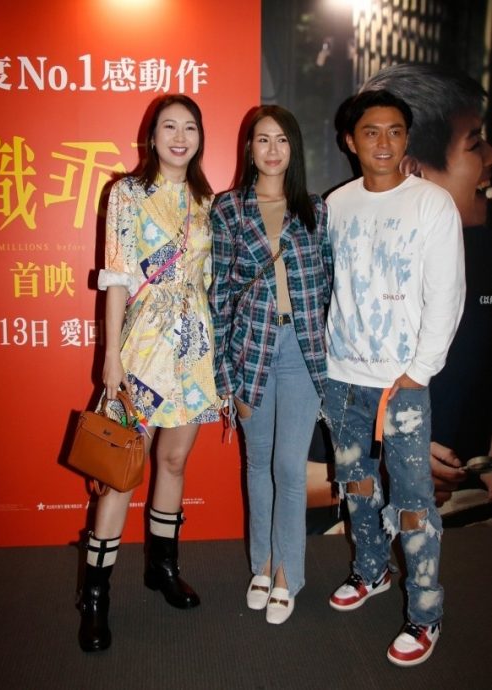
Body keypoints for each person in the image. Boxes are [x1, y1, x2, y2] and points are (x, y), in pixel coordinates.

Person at [322, 89, 465, 666]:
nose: (384, 143)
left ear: (407, 138)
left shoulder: (431, 203)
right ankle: (371, 570)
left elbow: (447, 294)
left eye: (395, 131)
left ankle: (426, 613)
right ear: (350, 141)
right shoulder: (336, 204)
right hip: (341, 376)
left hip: (400, 383)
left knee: (411, 501)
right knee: (355, 484)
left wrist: (418, 372)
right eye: (371, 132)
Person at [78, 94, 220, 652]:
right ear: (152, 136)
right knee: (120, 471)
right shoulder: (127, 193)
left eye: (190, 128)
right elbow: (116, 278)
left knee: (174, 461)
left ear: (200, 138)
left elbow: (210, 281)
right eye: (169, 127)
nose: (180, 137)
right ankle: (94, 597)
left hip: (194, 348)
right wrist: (111, 355)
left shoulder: (208, 201)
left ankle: (163, 568)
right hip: (142, 345)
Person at [209, 105, 332, 624]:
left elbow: (329, 286)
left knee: (289, 467)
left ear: (293, 148)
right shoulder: (228, 209)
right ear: (250, 148)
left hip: (301, 352)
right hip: (249, 351)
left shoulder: (316, 210)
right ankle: (260, 563)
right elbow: (218, 296)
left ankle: (287, 574)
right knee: (257, 464)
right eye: (263, 139)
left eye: (282, 139)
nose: (273, 149)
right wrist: (225, 377)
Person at [363, 64, 492, 509]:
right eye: (474, 143)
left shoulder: (483, 244)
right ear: (414, 170)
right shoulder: (342, 246)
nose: (490, 157)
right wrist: (386, 460)